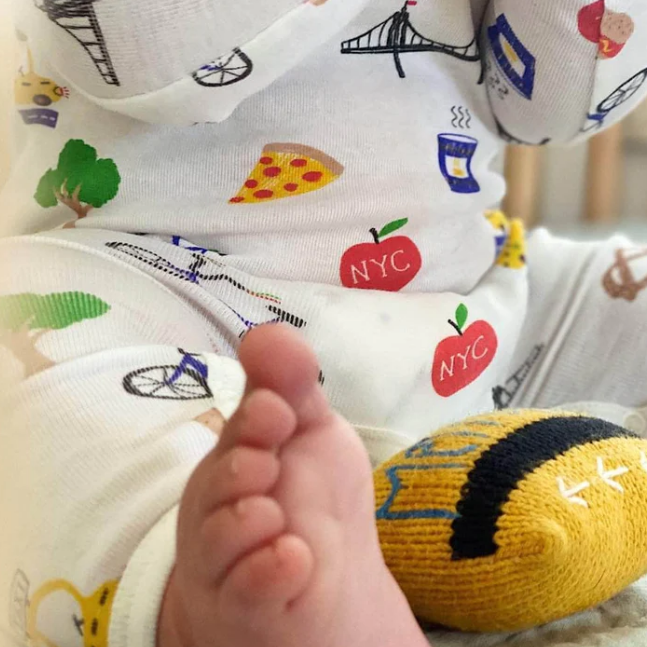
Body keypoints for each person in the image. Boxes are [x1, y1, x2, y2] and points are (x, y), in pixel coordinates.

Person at [1, 1, 646, 645]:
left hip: (475, 311)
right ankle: (228, 586)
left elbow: (552, 105)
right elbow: (137, 49)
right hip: (163, 293)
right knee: (31, 354)